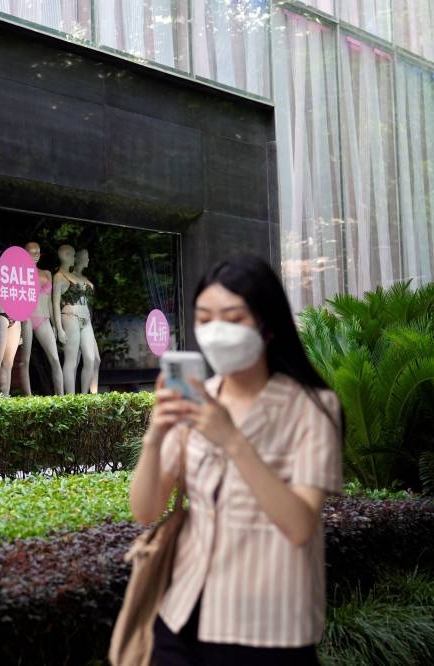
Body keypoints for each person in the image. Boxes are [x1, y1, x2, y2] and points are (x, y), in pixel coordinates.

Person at [129, 254, 343, 665]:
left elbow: (299, 526)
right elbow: (145, 510)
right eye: (204, 318)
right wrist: (155, 436)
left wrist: (232, 439)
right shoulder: (197, 398)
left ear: (267, 325)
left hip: (266, 628)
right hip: (181, 617)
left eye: (233, 317)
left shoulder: (312, 409)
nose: (216, 332)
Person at [17, 242, 63, 395]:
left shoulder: (47, 273)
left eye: (38, 252)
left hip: (44, 318)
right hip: (27, 317)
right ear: (25, 253)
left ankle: (62, 398)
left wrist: (55, 325)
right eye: (32, 252)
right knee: (25, 360)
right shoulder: (20, 273)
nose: (36, 254)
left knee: (55, 359)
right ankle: (28, 398)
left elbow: (50, 301)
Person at [52, 245, 99, 394]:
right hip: (70, 317)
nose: (74, 258)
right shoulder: (59, 276)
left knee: (90, 359)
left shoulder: (78, 276)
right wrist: (58, 328)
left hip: (86, 320)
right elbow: (55, 304)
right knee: (71, 360)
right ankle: (70, 398)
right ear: (66, 256)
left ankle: (84, 396)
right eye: (72, 255)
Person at [72, 248, 101, 393]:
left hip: (86, 320)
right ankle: (84, 396)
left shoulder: (85, 280)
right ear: (78, 258)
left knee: (96, 360)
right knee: (83, 360)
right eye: (86, 257)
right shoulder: (69, 277)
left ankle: (92, 395)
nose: (88, 260)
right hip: (74, 319)